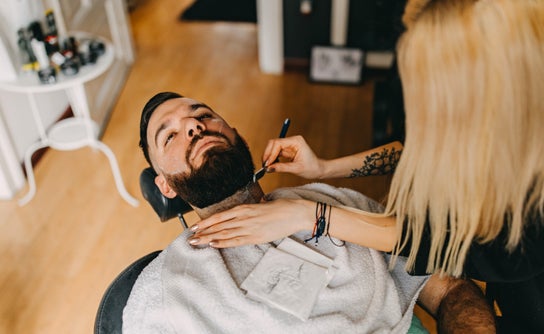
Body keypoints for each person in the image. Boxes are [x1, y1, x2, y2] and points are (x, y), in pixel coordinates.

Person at [189, 0, 544, 332]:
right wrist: (325, 168)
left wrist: (310, 215)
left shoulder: (527, 220)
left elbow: (439, 242)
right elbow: (423, 149)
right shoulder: (501, 127)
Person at [123, 92, 496, 333]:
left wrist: (313, 209)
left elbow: (451, 290)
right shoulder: (168, 285)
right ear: (165, 187)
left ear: (235, 134)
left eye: (202, 114)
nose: (193, 125)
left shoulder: (331, 202)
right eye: (169, 136)